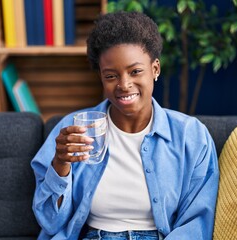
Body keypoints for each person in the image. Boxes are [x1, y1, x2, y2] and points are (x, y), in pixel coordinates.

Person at [31, 11, 219, 240]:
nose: (124, 84)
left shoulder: (191, 136)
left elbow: (197, 222)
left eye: (135, 71)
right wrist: (60, 164)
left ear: (155, 69)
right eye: (111, 76)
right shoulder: (72, 130)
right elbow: (50, 221)